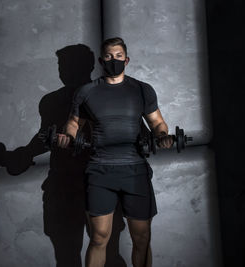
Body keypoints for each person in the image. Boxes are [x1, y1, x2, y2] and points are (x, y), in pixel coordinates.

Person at [56, 37, 173, 267]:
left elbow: (158, 123)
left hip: (135, 171)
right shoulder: (86, 92)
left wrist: (162, 136)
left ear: (126, 60)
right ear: (101, 61)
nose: (114, 60)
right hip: (100, 171)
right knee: (98, 237)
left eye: (118, 56)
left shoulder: (141, 90)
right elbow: (73, 123)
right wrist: (67, 137)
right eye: (109, 56)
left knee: (142, 238)